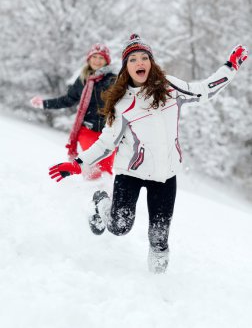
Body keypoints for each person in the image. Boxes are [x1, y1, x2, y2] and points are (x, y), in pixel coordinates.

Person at [48, 34, 248, 274]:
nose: (139, 62)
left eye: (144, 57)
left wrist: (231, 67)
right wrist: (79, 164)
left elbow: (204, 90)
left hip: (165, 175)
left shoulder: (170, 87)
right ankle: (101, 202)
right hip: (130, 173)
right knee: (120, 226)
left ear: (151, 63)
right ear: (126, 68)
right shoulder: (122, 103)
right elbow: (106, 143)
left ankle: (157, 284)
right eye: (133, 59)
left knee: (159, 239)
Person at [31, 43, 117, 180]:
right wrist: (44, 103)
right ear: (89, 59)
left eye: (101, 58)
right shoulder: (83, 79)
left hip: (109, 133)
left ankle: (102, 197)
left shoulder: (113, 80)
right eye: (94, 56)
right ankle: (88, 196)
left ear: (107, 61)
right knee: (93, 169)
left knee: (106, 170)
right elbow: (68, 100)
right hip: (87, 130)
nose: (97, 60)